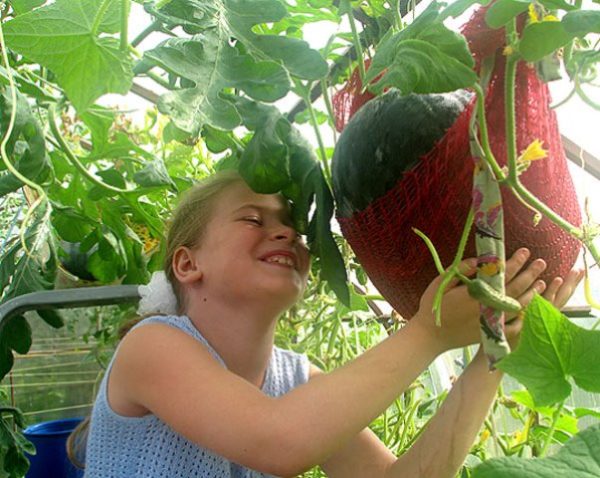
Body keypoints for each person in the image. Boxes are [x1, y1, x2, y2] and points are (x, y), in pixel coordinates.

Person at [77, 170, 582, 477]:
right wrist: (429, 332)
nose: (286, 234)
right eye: (253, 219)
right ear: (187, 265)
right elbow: (279, 441)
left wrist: (491, 355)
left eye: (294, 228)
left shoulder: (295, 381)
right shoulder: (154, 346)